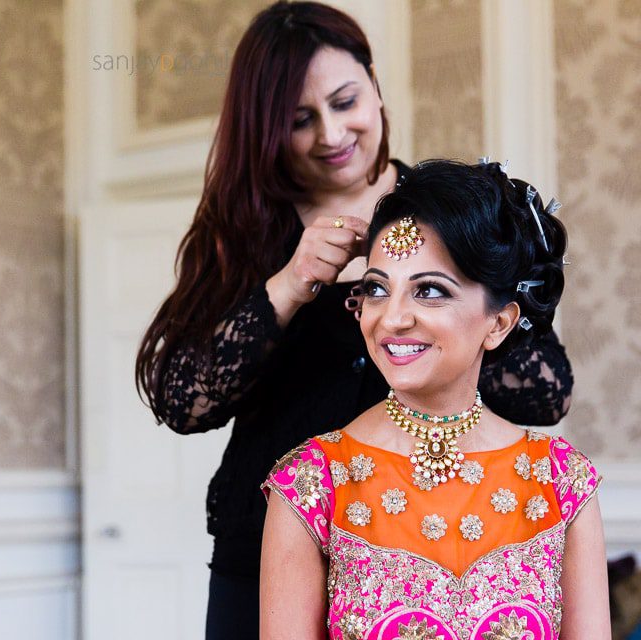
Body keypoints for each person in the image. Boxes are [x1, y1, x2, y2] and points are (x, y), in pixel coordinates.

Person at [134, 3, 573, 638]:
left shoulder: (441, 215)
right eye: (299, 120)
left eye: (345, 102)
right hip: (267, 551)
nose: (332, 135)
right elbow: (183, 401)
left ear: (375, 85)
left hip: (423, 538)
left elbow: (547, 394)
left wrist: (435, 291)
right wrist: (287, 285)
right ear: (264, 130)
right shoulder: (245, 230)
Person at [261, 159, 608, 639]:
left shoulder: (562, 483)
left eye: (428, 291)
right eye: (377, 289)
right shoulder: (310, 485)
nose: (392, 319)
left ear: (499, 322)